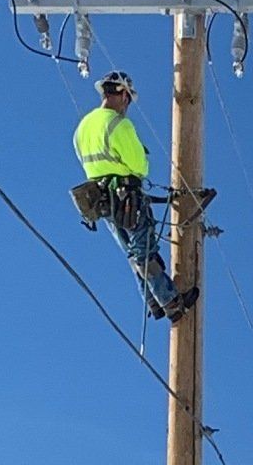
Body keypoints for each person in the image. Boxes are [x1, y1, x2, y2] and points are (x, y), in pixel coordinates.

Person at [71, 73, 197, 318]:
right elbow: (139, 166)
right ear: (123, 94)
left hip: (102, 201)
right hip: (126, 197)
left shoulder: (83, 126)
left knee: (133, 253)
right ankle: (171, 303)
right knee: (143, 249)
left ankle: (152, 302)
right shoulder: (118, 124)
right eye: (127, 98)